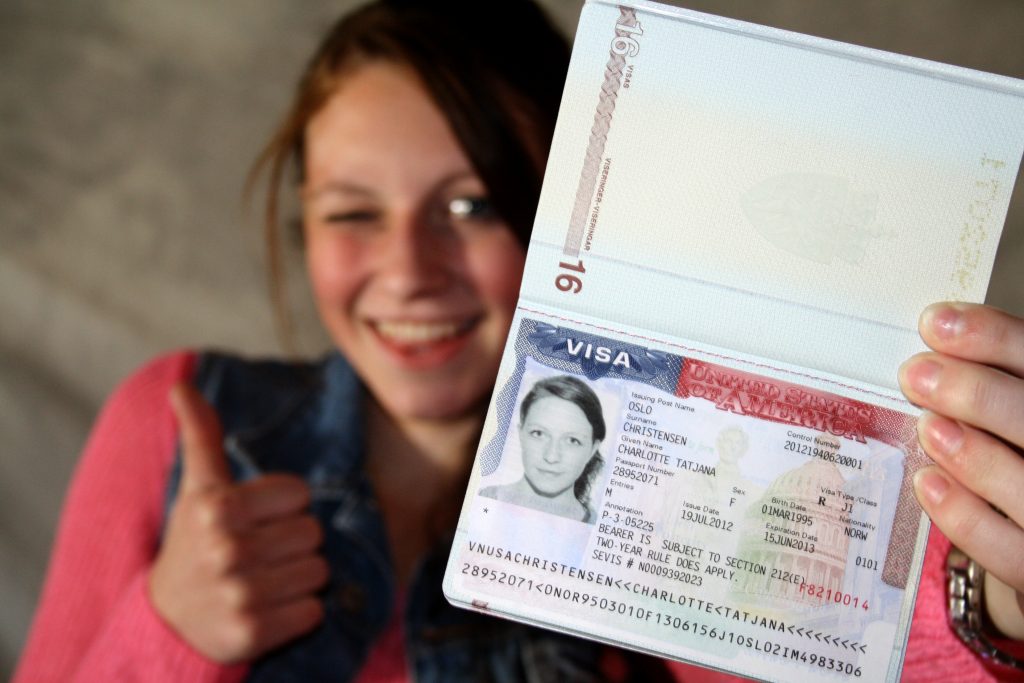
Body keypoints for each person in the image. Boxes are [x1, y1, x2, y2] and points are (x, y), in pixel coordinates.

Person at [13, 1, 1024, 681]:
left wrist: (994, 602)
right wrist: (167, 629)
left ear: (568, 222)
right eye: (353, 213)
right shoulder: (180, 420)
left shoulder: (699, 471)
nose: (408, 270)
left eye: (468, 204)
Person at [480, 375, 606, 523]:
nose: (551, 457)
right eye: (538, 433)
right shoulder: (479, 500)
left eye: (573, 440)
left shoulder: (597, 527)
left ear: (592, 450)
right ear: (521, 434)